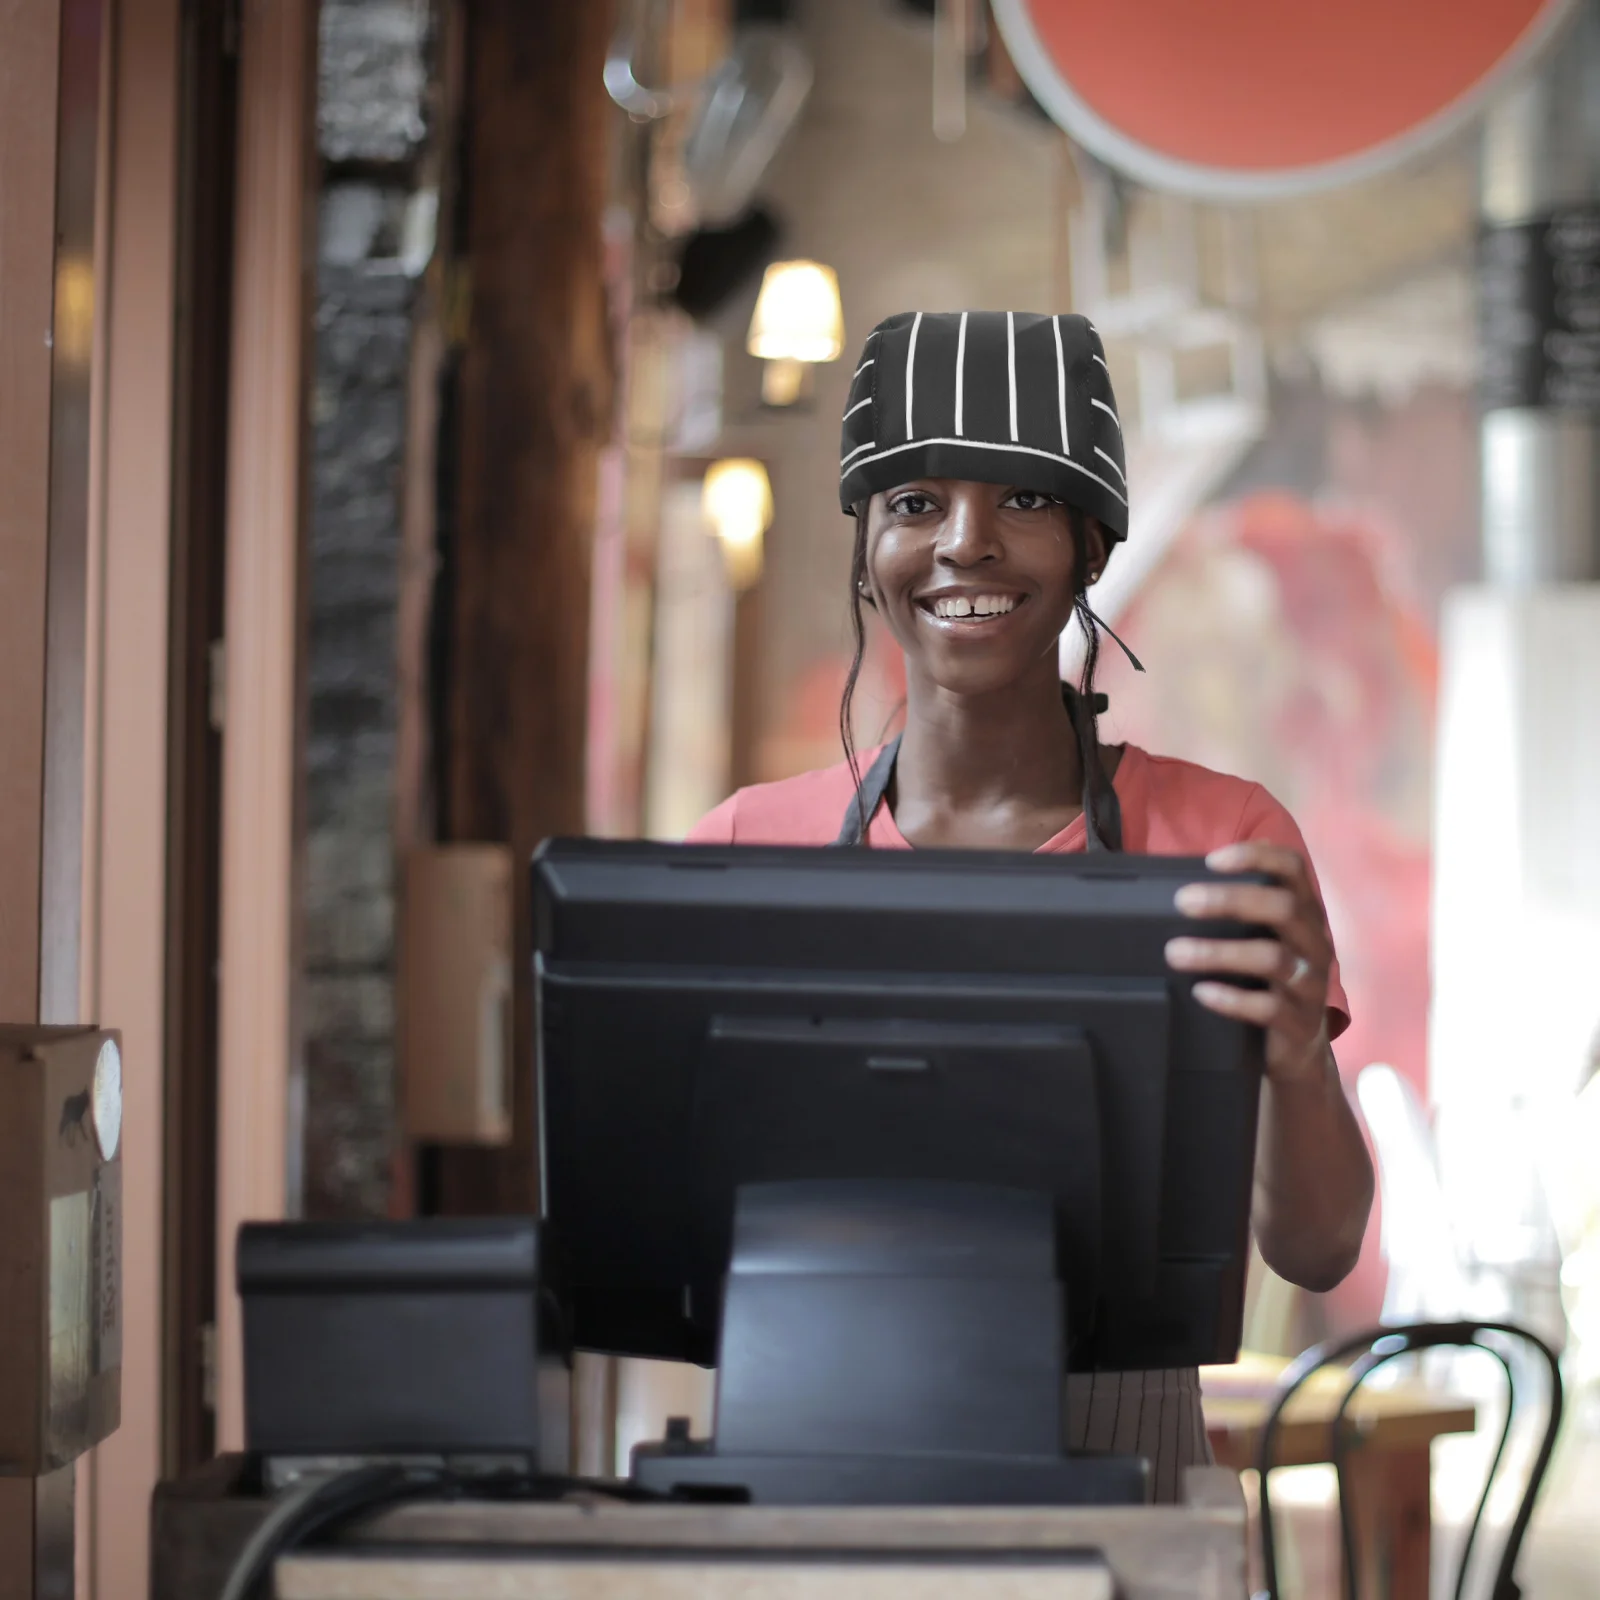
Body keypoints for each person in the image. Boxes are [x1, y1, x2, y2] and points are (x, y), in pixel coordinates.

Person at [688, 310, 1374, 1500]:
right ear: (863, 547)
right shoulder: (745, 848)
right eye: (914, 503)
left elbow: (1313, 1247)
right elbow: (672, 1237)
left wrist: (1299, 1050)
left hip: (1129, 1461)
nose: (967, 544)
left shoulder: (1223, 843)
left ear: (1093, 543)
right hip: (807, 1454)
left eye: (1024, 501)